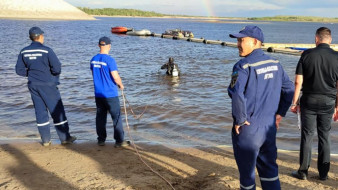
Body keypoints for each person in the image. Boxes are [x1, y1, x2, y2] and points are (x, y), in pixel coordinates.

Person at [228, 25, 294, 190]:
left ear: (255, 42)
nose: (238, 44)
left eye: (242, 40)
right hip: (269, 127)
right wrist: (280, 114)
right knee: (270, 170)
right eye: (237, 40)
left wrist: (240, 119)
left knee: (247, 175)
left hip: (249, 128)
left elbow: (236, 94)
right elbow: (289, 90)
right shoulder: (276, 63)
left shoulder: (243, 66)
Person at [290, 27, 338, 181]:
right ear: (330, 40)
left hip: (309, 100)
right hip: (328, 101)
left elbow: (298, 81)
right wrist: (337, 105)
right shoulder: (337, 57)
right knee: (325, 135)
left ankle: (303, 172)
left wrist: (294, 102)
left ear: (316, 38)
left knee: (307, 136)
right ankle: (323, 174)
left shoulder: (306, 55)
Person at [15, 26, 76, 146]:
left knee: (40, 111)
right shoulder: (47, 50)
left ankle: (46, 140)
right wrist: (50, 75)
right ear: (41, 36)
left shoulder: (24, 51)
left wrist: (31, 73)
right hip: (48, 84)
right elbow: (57, 68)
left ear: (30, 38)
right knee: (57, 110)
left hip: (33, 84)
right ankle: (64, 138)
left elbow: (19, 70)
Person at [90, 36, 129, 147]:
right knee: (116, 117)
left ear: (99, 45)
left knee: (100, 117)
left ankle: (101, 139)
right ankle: (119, 141)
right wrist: (121, 85)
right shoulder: (110, 60)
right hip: (110, 94)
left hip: (98, 94)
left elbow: (94, 74)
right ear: (109, 46)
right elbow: (115, 76)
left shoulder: (93, 59)